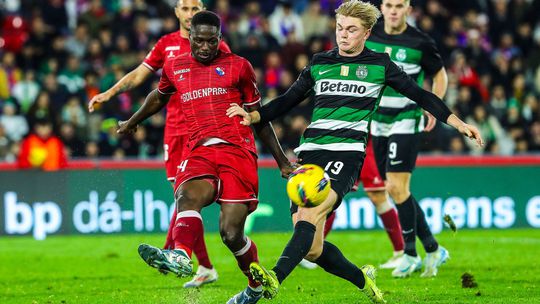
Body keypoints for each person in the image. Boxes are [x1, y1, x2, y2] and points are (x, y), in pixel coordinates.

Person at [226, 1, 482, 302]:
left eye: (351, 30)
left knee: (310, 213)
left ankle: (271, 280)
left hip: (346, 154)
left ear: (367, 33)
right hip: (312, 152)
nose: (343, 35)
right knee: (313, 247)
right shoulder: (321, 61)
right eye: (339, 28)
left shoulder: (380, 65)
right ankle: (364, 281)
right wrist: (255, 116)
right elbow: (289, 98)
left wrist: (457, 122)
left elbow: (420, 94)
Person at [117, 11, 294, 304]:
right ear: (190, 39)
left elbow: (259, 118)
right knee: (186, 196)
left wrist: (282, 161)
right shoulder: (175, 67)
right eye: (199, 41)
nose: (204, 47)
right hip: (199, 150)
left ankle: (255, 285)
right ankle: (181, 256)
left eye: (211, 41)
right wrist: (134, 120)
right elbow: (159, 97)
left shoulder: (239, 67)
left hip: (237, 151)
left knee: (230, 233)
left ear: (220, 39)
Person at [87, 0, 231, 288]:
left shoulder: (216, 47)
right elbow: (141, 75)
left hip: (202, 132)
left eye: (195, 8)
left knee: (186, 197)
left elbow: (232, 80)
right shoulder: (166, 45)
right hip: (174, 132)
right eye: (185, 9)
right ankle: (202, 265)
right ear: (176, 12)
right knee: (182, 198)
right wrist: (110, 93)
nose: (190, 14)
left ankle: (179, 255)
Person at [366, 0, 451, 278]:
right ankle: (434, 248)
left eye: (399, 5)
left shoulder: (420, 41)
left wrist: (433, 104)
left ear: (408, 9)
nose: (393, 10)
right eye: (388, 5)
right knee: (395, 190)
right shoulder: (370, 34)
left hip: (406, 118)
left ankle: (410, 254)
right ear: (381, 7)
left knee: (396, 186)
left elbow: (439, 74)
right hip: (376, 122)